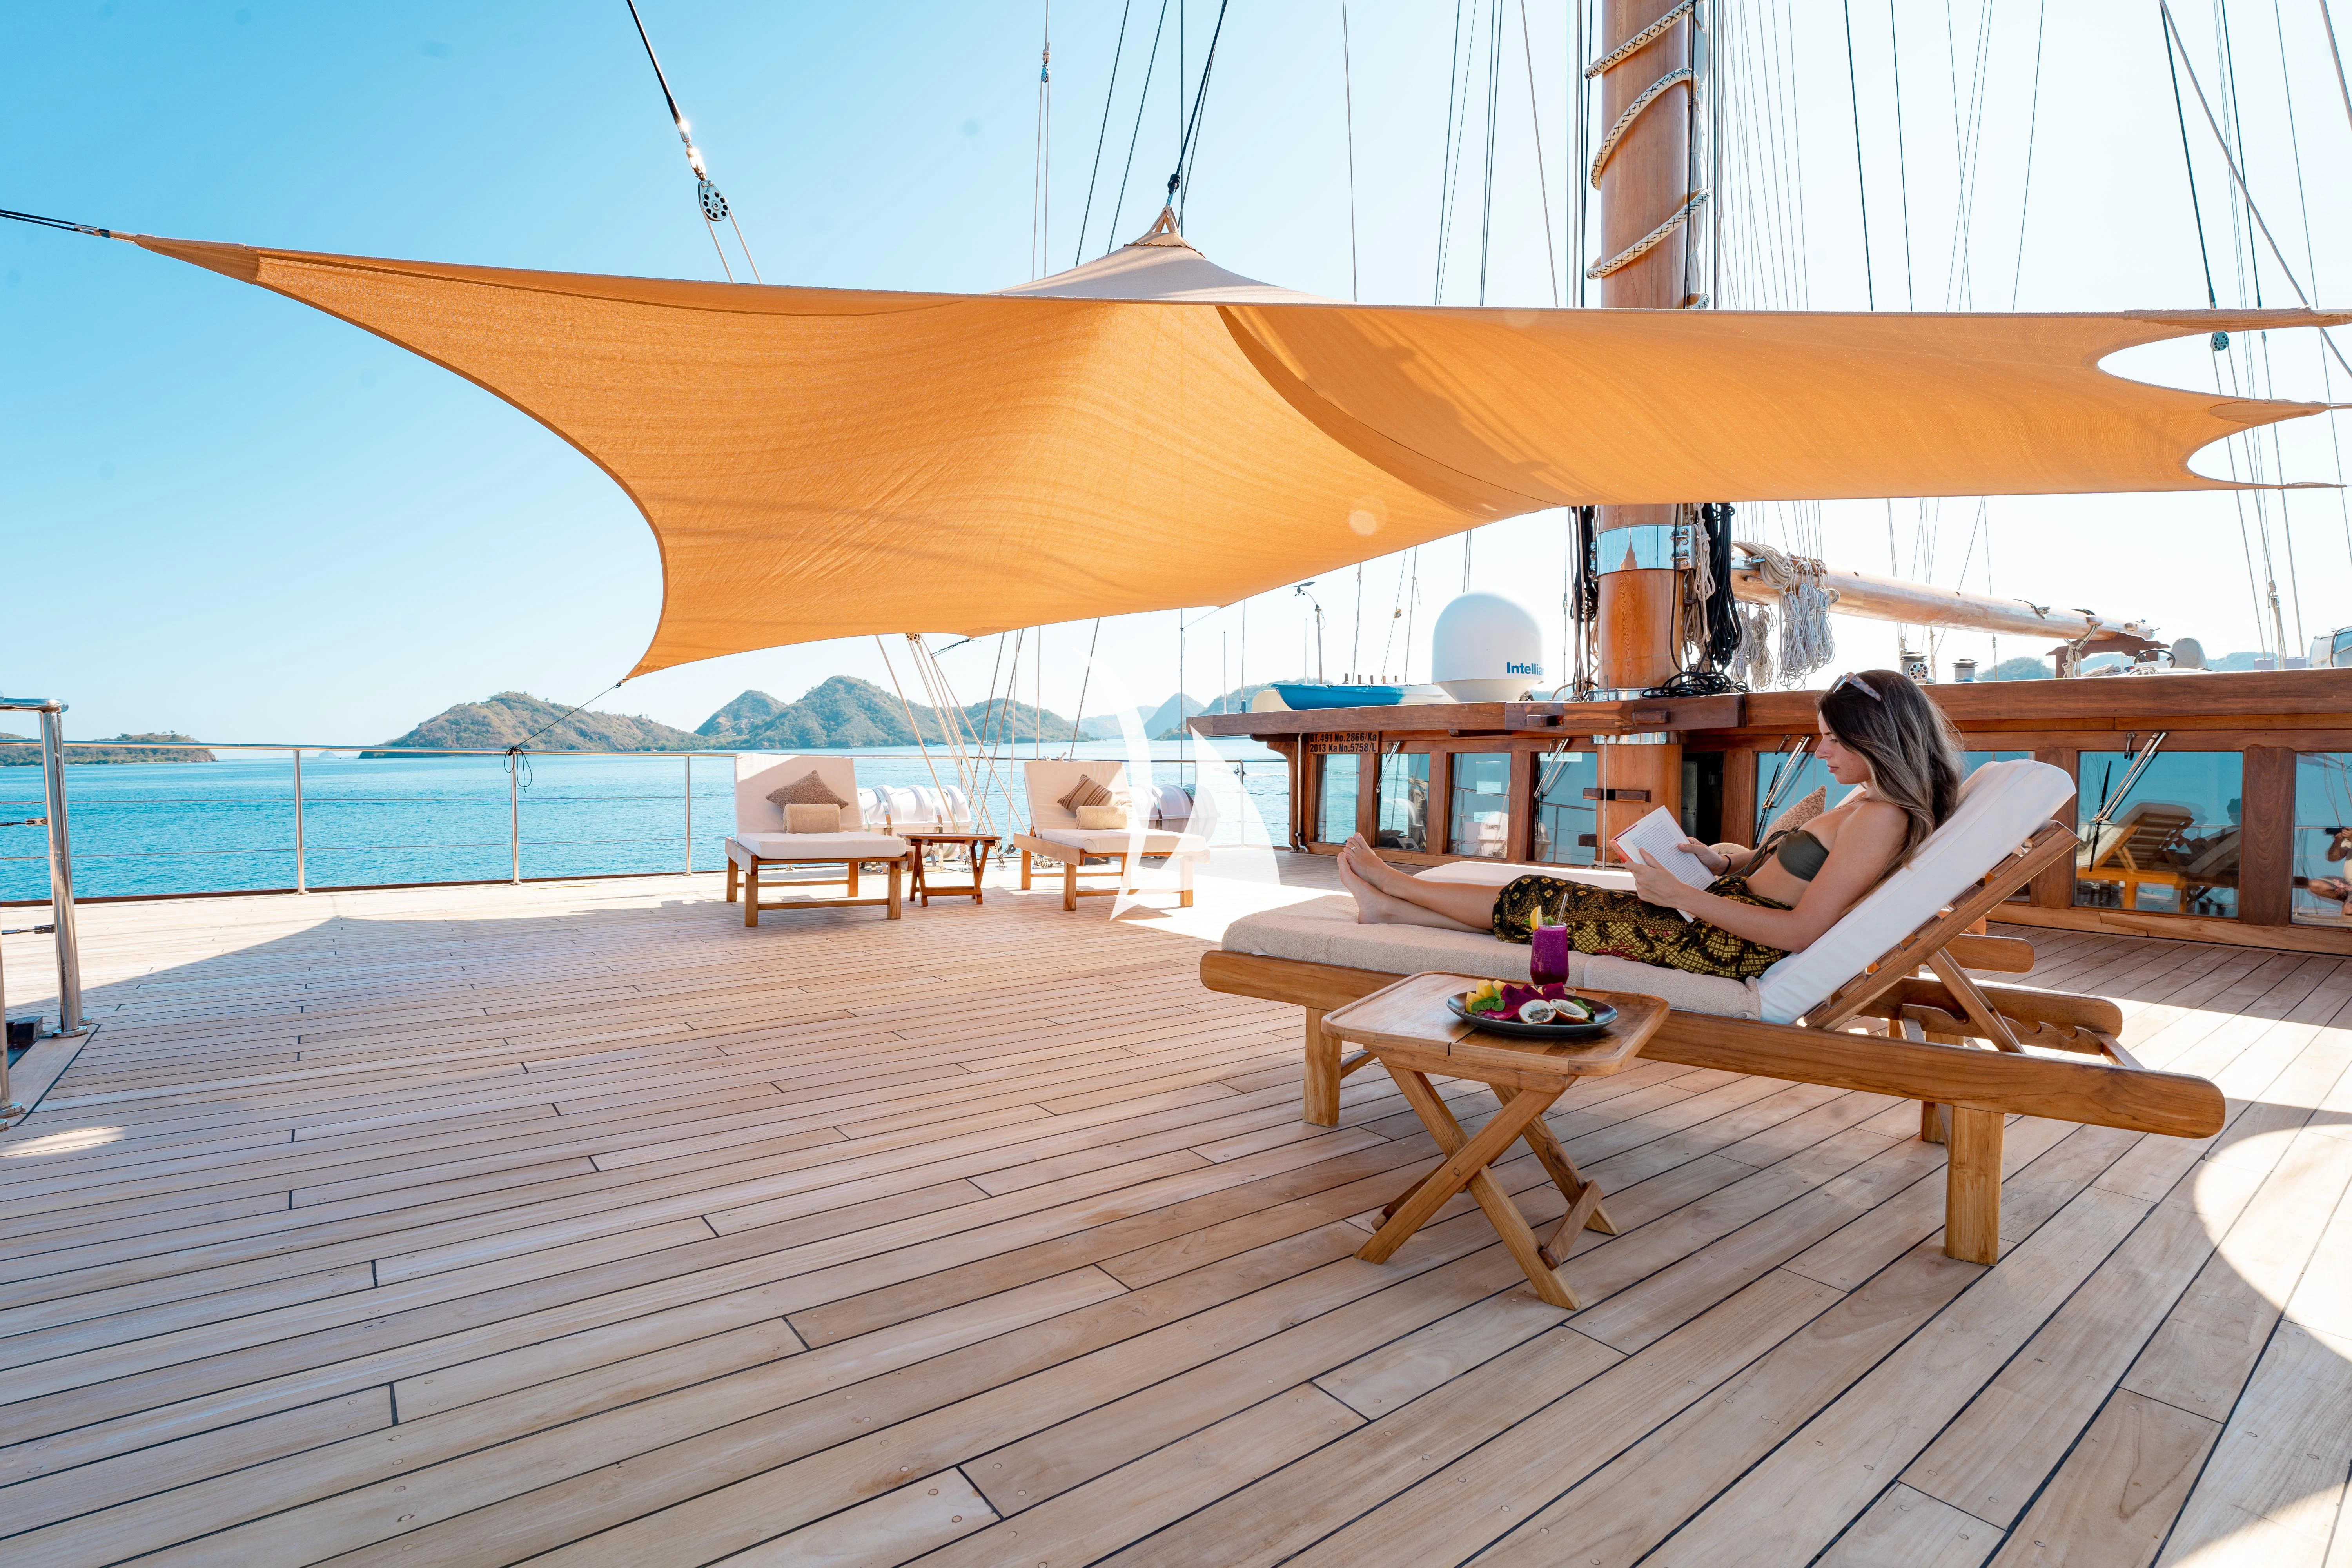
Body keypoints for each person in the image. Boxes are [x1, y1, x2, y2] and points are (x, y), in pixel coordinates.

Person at [1334, 669, 1967, 978]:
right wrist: (1725, 862)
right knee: (1556, 903)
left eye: (1832, 741)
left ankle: (1395, 884)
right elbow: (1798, 875)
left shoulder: (1880, 819)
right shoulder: (1866, 804)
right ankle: (1390, 909)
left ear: (1875, 740)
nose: (1821, 751)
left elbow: (1801, 931)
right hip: (1718, 911)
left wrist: (1681, 895)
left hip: (1722, 945)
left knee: (1540, 897)